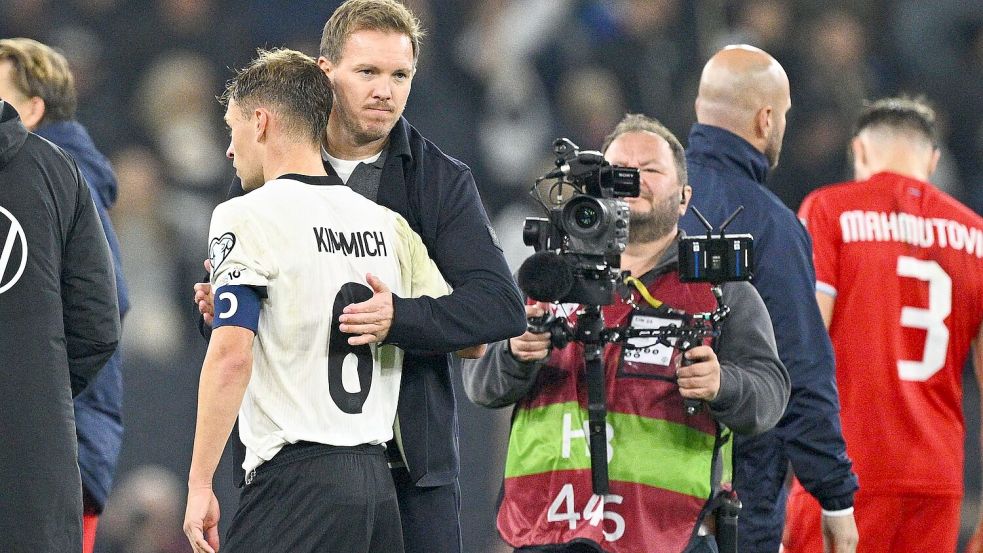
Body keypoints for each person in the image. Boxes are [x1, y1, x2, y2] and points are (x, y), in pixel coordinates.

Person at [193, 2, 526, 550]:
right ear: (326, 73)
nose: (385, 92)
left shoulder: (438, 180)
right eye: (368, 72)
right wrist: (218, 309)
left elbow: (499, 308)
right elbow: (244, 319)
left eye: (400, 76)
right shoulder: (265, 173)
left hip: (411, 469)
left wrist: (399, 316)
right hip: (297, 461)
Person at [462, 113, 790, 553]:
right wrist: (515, 353)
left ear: (684, 198)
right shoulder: (547, 279)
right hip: (552, 530)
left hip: (670, 535)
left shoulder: (719, 289)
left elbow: (770, 395)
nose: (633, 179)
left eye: (651, 170)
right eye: (618, 171)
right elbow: (480, 385)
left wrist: (722, 384)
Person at [679, 44, 859, 553]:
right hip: (736, 491)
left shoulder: (644, 209)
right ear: (765, 120)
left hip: (633, 487)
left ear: (700, 111)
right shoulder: (770, 225)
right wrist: (835, 496)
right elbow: (800, 367)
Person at [785, 97, 983, 553]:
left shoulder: (829, 210)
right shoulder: (975, 235)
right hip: (936, 479)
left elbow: (805, 346)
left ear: (859, 151)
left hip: (843, 474)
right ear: (932, 160)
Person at [0, 37, 130, 553]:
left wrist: (42, 384)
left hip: (70, 438)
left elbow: (104, 314)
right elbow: (96, 320)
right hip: (50, 447)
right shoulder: (64, 177)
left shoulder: (64, 178)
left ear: (33, 109)